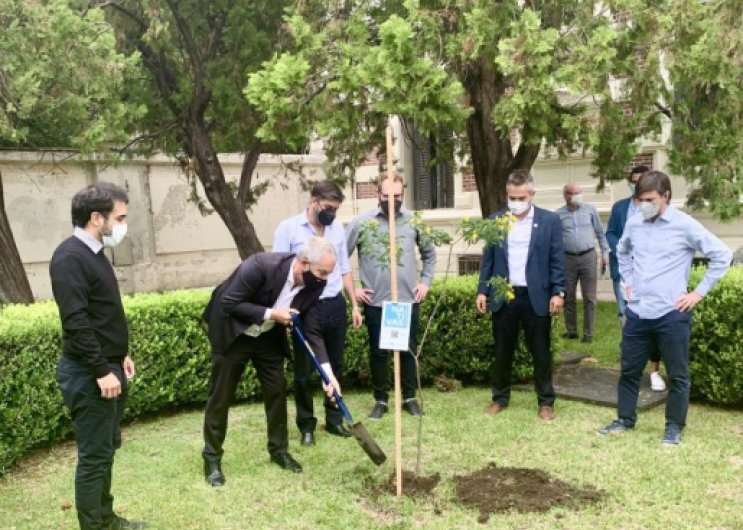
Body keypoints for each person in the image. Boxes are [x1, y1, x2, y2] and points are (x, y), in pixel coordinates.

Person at [599, 171, 732, 445]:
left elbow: (722, 255)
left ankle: (673, 427)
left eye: (649, 199)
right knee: (629, 370)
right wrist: (628, 281)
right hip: (637, 312)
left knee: (678, 375)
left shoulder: (685, 225)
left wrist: (698, 293)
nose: (644, 204)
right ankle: (624, 419)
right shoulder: (635, 223)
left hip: (671, 314)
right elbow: (621, 251)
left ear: (666, 196)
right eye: (640, 199)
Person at [201, 237, 340, 485]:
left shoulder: (315, 285)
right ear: (305, 263)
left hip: (268, 337)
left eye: (329, 274)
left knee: (276, 393)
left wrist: (328, 374)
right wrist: (272, 314)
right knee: (220, 397)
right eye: (321, 272)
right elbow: (229, 301)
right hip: (234, 333)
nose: (325, 279)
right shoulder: (260, 265)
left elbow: (311, 329)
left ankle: (279, 451)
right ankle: (212, 458)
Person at [50, 183, 147, 530]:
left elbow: (102, 313)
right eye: (119, 218)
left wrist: (120, 355)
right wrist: (101, 369)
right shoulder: (69, 257)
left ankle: (107, 519)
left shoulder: (93, 253)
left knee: (106, 451)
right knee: (93, 458)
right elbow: (76, 321)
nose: (124, 224)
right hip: (90, 374)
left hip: (108, 367)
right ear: (96, 217)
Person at [272, 180, 362, 447]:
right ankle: (306, 425)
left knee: (334, 365)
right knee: (303, 370)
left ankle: (334, 420)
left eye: (335, 209)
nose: (331, 214)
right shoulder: (288, 228)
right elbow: (279, 272)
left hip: (334, 305)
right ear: (312, 201)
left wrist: (354, 304)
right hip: (305, 307)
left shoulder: (338, 229)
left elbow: (344, 268)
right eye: (327, 208)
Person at [476, 169, 566, 421]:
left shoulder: (549, 221)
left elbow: (557, 259)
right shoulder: (496, 220)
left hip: (535, 296)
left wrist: (559, 292)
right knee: (503, 351)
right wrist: (483, 289)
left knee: (541, 352)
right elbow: (489, 260)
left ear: (532, 194)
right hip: (504, 296)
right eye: (511, 197)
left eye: (521, 197)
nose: (516, 202)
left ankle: (545, 402)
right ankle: (500, 398)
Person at [346, 174, 436, 419]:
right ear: (378, 195)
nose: (393, 201)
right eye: (387, 196)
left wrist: (425, 282)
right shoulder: (362, 223)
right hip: (375, 301)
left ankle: (409, 398)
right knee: (378, 352)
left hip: (407, 300)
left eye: (397, 196)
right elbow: (341, 258)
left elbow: (430, 254)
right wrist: (354, 288)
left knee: (407, 350)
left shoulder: (413, 221)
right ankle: (381, 400)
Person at [606, 165, 666, 391]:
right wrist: (620, 248)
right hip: (625, 272)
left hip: (651, 274)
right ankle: (630, 364)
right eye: (634, 181)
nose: (638, 184)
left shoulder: (659, 209)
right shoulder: (621, 208)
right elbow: (611, 232)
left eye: (643, 180)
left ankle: (654, 371)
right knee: (626, 315)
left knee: (653, 319)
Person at [555, 183, 609, 344]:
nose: (578, 195)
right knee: (568, 296)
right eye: (574, 193)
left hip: (588, 256)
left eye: (580, 192)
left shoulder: (590, 209)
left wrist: (605, 253)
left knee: (589, 297)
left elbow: (600, 232)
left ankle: (588, 333)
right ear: (566, 196)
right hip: (568, 258)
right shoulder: (558, 214)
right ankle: (571, 330)